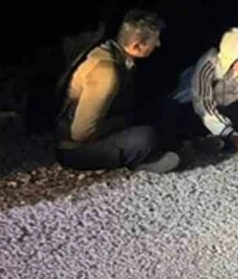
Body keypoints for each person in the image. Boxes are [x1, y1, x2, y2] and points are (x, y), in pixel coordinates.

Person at [54, 10, 179, 173]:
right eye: (155, 41)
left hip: (97, 131)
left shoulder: (113, 52)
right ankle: (138, 161)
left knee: (159, 110)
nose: (158, 45)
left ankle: (157, 151)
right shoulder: (106, 72)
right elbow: (81, 133)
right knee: (144, 137)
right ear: (136, 46)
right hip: (76, 150)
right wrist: (123, 122)